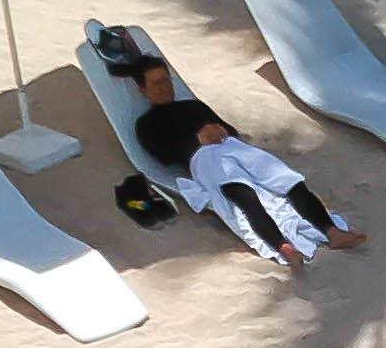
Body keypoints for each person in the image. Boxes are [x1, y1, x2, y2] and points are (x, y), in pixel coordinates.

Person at [128, 66, 366, 270]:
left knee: (287, 179)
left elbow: (230, 129)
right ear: (143, 89)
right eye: (156, 83)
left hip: (231, 146)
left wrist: (221, 130)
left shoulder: (193, 106)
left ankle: (332, 233)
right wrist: (196, 140)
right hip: (201, 158)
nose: (164, 87)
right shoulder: (147, 124)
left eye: (167, 80)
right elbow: (162, 155)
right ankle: (283, 246)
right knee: (243, 194)